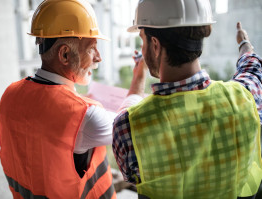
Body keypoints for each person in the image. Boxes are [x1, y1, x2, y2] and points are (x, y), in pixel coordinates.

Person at [112, 0, 262, 198]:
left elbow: (131, 175)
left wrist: (139, 76)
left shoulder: (127, 126)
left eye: (143, 39)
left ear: (155, 44)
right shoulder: (244, 97)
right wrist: (245, 45)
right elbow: (252, 70)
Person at [0, 0, 147, 198]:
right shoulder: (83, 116)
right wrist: (139, 77)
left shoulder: (10, 94)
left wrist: (75, 98)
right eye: (92, 48)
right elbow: (129, 125)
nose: (99, 57)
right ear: (65, 54)